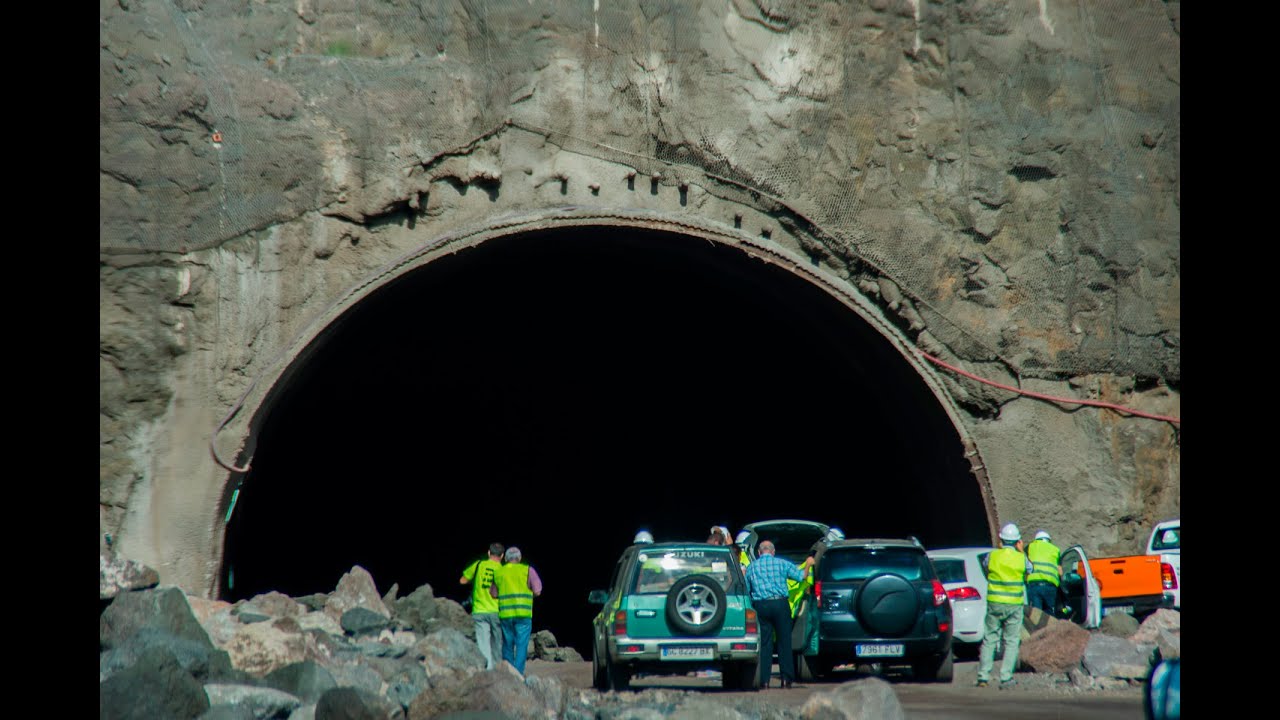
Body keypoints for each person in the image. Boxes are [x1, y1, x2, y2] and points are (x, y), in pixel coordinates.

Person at [744, 539, 814, 689]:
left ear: (759, 552)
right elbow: (801, 576)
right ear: (773, 552)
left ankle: (764, 680)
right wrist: (808, 563)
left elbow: (747, 591)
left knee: (765, 643)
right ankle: (786, 679)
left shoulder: (751, 567)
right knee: (784, 641)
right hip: (781, 604)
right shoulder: (782, 564)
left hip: (761, 605)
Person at [976, 523, 1033, 688]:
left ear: (1000, 539)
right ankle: (1006, 677)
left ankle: (983, 676)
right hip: (1014, 605)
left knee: (989, 639)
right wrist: (1022, 551)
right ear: (1017, 541)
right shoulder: (1021, 559)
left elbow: (986, 569)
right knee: (1011, 641)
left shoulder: (992, 556)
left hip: (994, 603)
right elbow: (1031, 568)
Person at [495, 546, 542, 675]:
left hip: (506, 614)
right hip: (523, 614)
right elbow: (538, 590)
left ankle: (508, 673)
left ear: (505, 559)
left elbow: (493, 593)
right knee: (521, 645)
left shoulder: (499, 572)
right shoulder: (528, 570)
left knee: (507, 644)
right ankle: (518, 674)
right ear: (520, 558)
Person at [459, 542, 504, 670]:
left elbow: (462, 580)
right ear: (502, 556)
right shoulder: (502, 570)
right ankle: (498, 670)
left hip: (479, 610)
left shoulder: (478, 564)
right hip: (497, 611)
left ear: (489, 553)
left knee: (483, 643)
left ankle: (487, 670)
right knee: (498, 643)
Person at [1025, 529, 1062, 615]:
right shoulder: (1056, 550)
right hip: (1050, 587)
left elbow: (1024, 563)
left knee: (1036, 616)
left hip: (1035, 587)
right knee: (1049, 615)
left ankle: (1037, 628)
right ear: (1049, 540)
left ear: (1036, 540)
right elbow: (1060, 572)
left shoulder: (1030, 547)